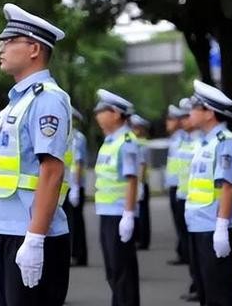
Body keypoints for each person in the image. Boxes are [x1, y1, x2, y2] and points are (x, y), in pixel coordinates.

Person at [0, 3, 72, 306]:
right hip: (7, 229)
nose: (1, 46)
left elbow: (51, 171)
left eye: (10, 41)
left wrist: (35, 238)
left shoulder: (47, 99)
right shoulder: (16, 103)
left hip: (31, 233)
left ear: (34, 48)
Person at [184, 80, 232, 306]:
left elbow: (227, 186)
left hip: (213, 229)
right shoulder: (203, 143)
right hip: (197, 226)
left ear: (209, 113)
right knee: (206, 293)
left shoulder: (225, 142)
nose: (190, 112)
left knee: (220, 294)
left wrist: (221, 228)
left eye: (195, 107)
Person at [93, 89, 140, 306]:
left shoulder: (126, 141)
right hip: (107, 212)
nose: (97, 116)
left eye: (101, 111)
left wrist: (128, 214)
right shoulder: (110, 140)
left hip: (120, 214)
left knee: (122, 270)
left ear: (115, 113)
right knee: (112, 269)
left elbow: (131, 179)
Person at [175, 97, 203, 302]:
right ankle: (197, 284)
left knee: (201, 254)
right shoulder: (186, 140)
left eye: (187, 115)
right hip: (185, 197)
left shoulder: (202, 141)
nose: (184, 120)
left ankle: (200, 286)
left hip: (200, 204)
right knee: (191, 249)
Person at [165, 104, 190, 265]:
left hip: (182, 187)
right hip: (175, 185)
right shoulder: (175, 139)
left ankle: (185, 254)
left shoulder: (183, 138)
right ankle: (182, 252)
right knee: (178, 223)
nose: (167, 122)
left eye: (170, 119)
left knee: (183, 224)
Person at [65, 107, 88, 267]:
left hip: (75, 186)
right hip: (66, 185)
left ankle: (78, 254)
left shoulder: (77, 138)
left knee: (76, 222)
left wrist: (75, 187)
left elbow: (78, 163)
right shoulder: (66, 137)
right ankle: (72, 252)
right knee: (69, 221)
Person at [131, 114, 152, 250]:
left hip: (141, 182)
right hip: (138, 182)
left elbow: (142, 165)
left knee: (142, 214)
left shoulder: (141, 144)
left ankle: (143, 240)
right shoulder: (138, 142)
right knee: (138, 213)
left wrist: (140, 185)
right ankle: (139, 238)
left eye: (136, 127)